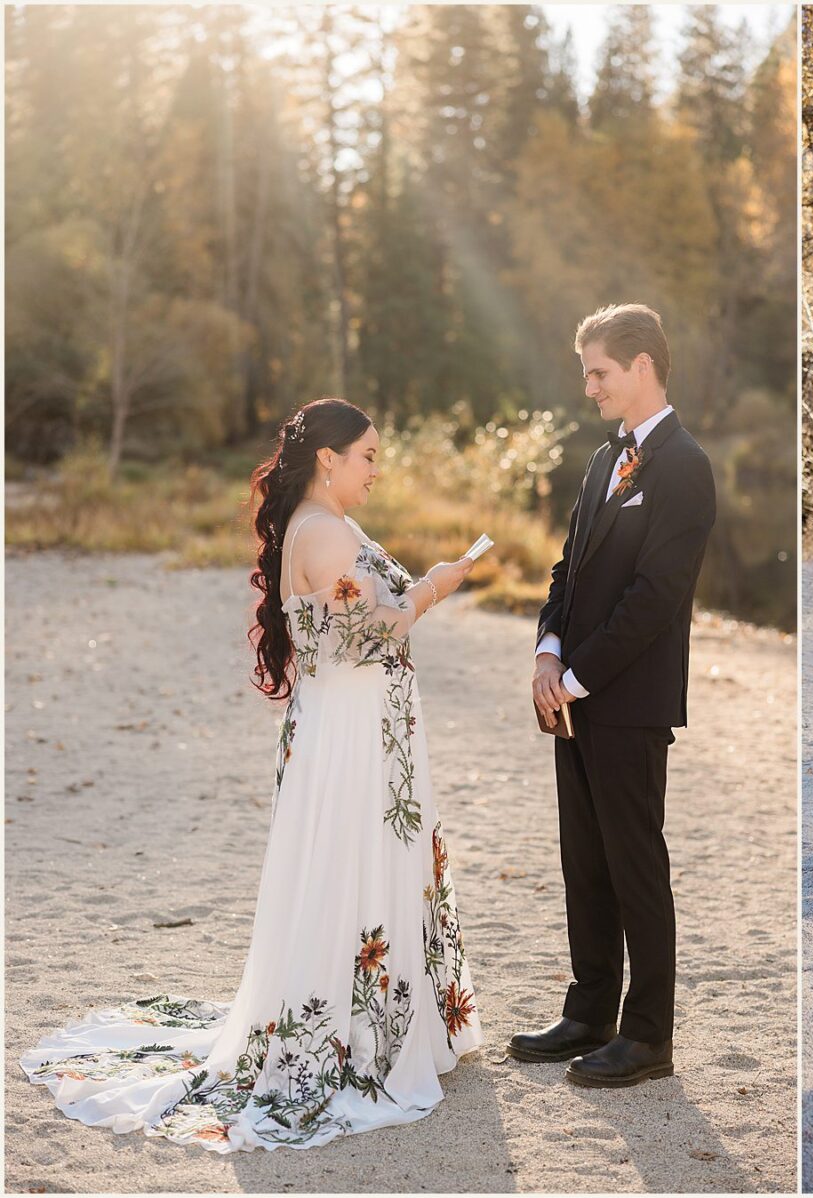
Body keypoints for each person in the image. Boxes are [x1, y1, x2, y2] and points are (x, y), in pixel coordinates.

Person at [21, 397, 482, 1150]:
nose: (376, 471)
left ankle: (381, 1023)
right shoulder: (326, 532)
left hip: (357, 724)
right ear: (328, 458)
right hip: (352, 732)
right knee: (351, 864)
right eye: (367, 456)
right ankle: (362, 1038)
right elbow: (362, 640)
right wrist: (436, 585)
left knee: (356, 863)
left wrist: (418, 587)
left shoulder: (322, 521)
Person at [514, 304, 716, 1087]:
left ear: (641, 367)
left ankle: (648, 1036)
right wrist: (546, 650)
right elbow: (568, 568)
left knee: (636, 865)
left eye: (597, 371)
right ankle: (590, 1009)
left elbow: (656, 595)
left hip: (630, 702)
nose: (588, 385)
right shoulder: (605, 461)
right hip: (573, 694)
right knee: (584, 860)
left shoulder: (685, 464)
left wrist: (575, 676)